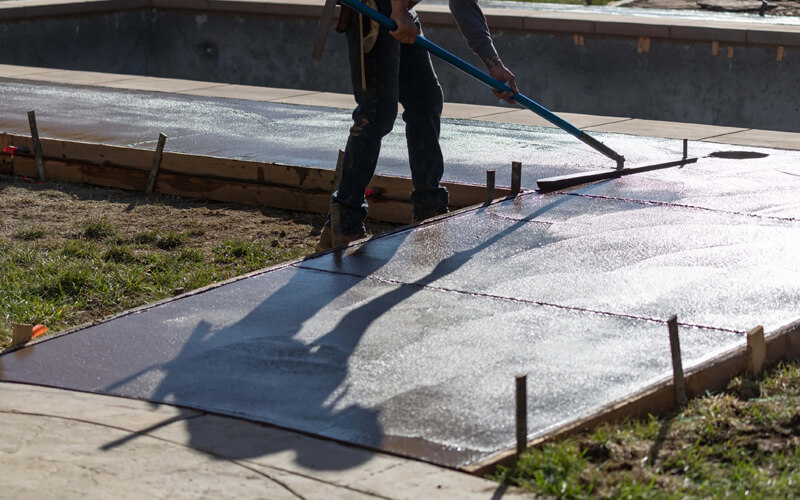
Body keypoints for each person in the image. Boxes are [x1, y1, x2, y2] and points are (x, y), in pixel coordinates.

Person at [317, 0, 519, 250]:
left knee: (425, 100)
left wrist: (493, 64)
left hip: (397, 9)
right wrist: (399, 10)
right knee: (377, 110)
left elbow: (463, 3)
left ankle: (429, 209)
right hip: (374, 7)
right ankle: (343, 224)